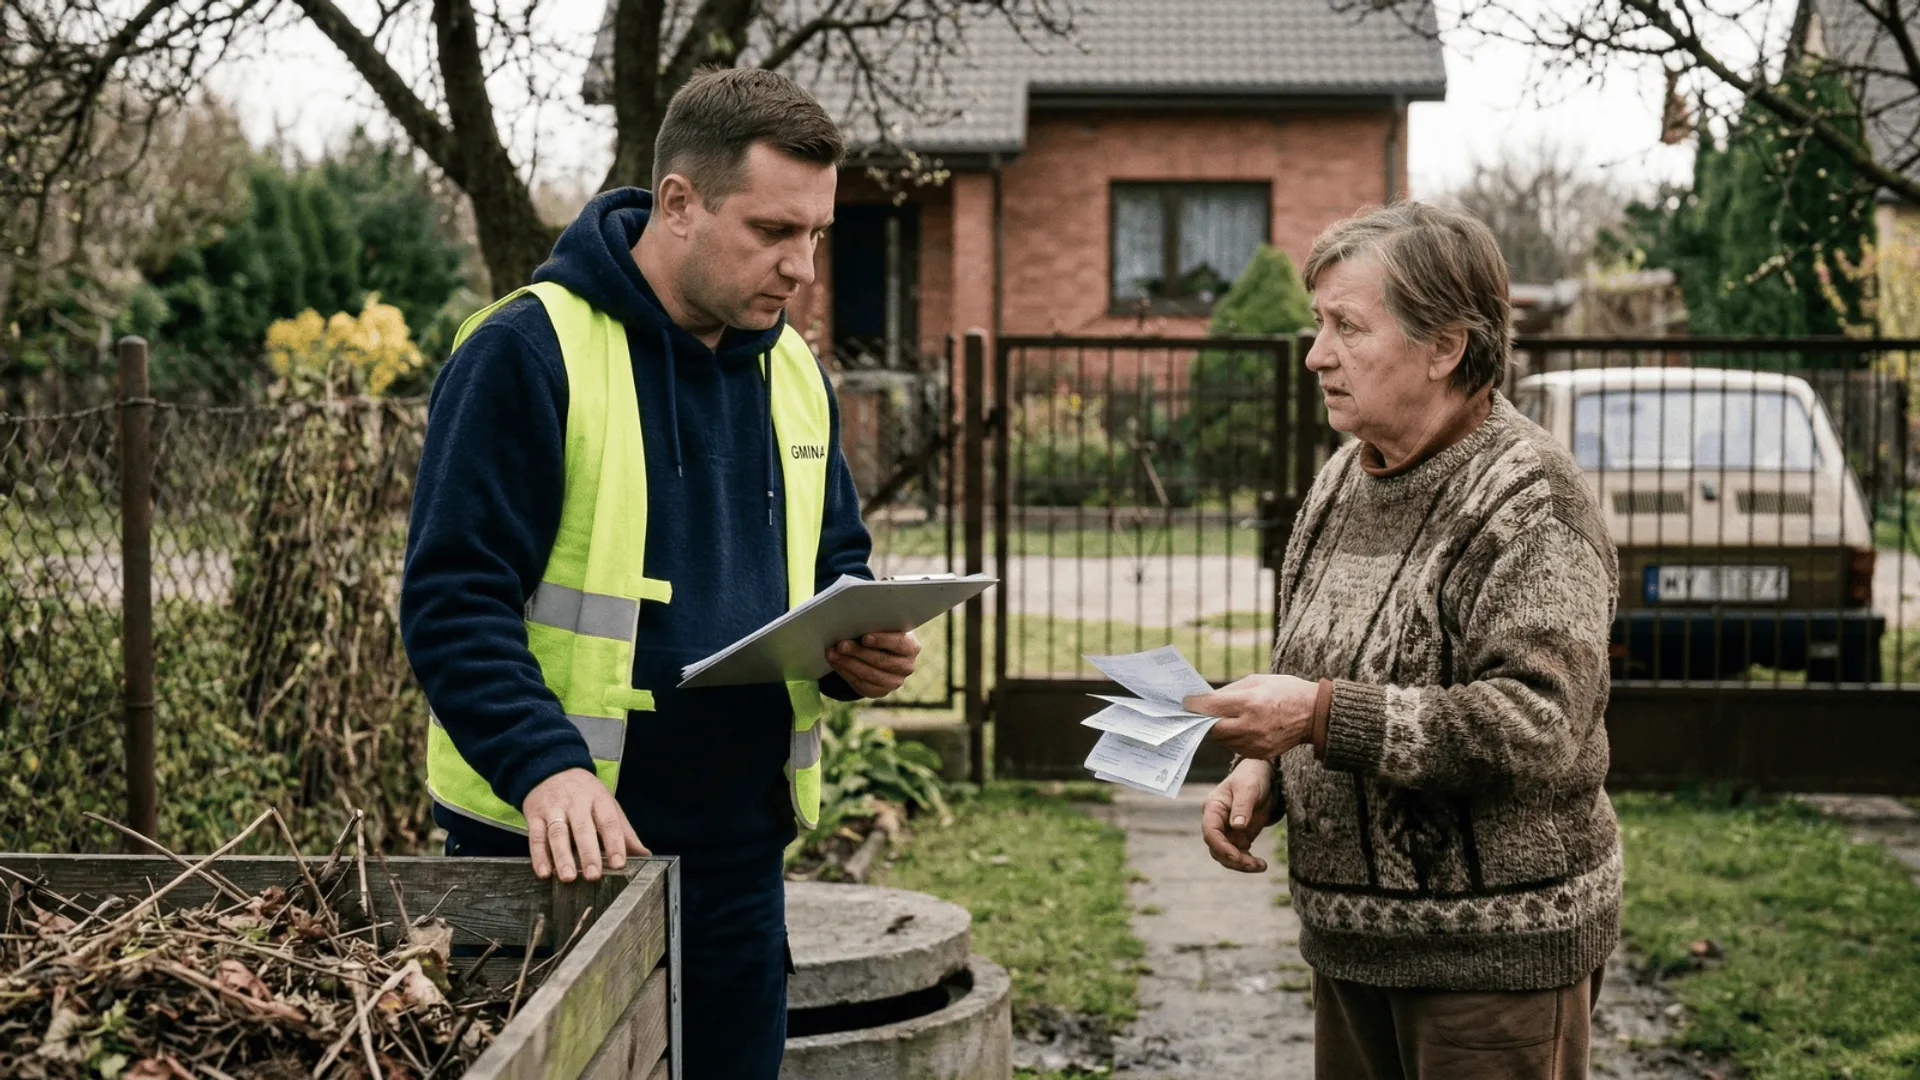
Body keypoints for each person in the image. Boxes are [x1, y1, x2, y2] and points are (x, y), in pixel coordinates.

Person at [400, 67, 921, 1078]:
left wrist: (857, 649)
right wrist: (544, 764)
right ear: (679, 202)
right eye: (773, 231)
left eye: (816, 233)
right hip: (554, 856)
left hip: (739, 856)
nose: (803, 268)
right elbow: (453, 600)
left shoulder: (793, 370)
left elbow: (835, 564)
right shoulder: (526, 351)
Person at [1183, 201, 1620, 1080]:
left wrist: (1316, 718)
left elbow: (1536, 724)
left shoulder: (1531, 500)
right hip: (1351, 949)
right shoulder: (1343, 479)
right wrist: (1269, 769)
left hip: (1491, 965)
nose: (1317, 355)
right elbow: (1317, 674)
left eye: (1347, 327)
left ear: (1445, 346)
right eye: (1319, 324)